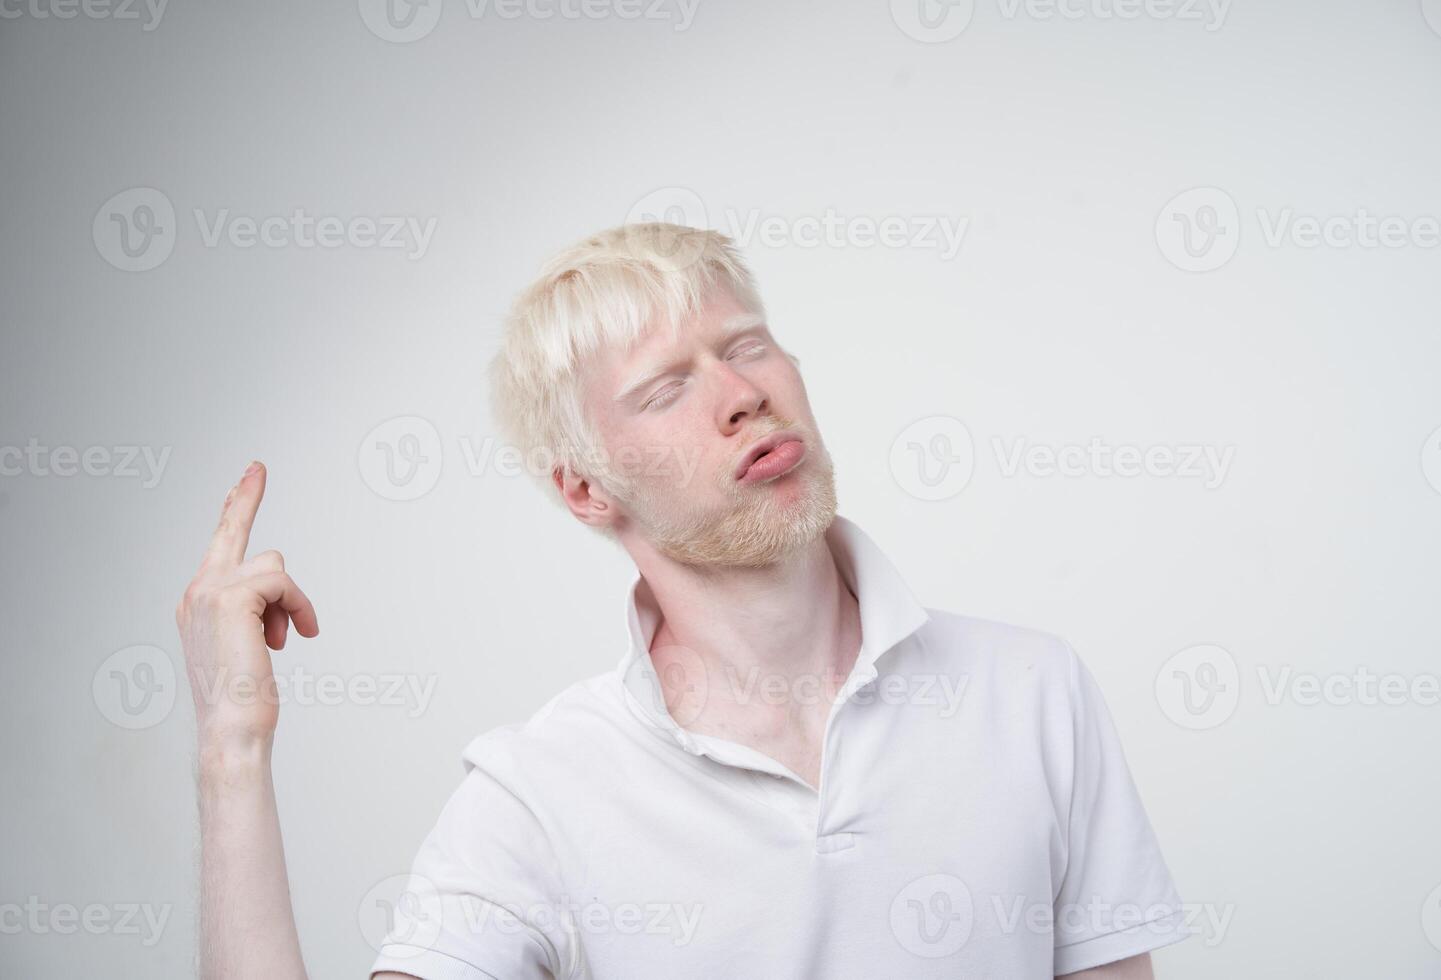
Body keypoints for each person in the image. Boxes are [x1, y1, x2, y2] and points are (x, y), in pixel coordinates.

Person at [176, 223, 1189, 979]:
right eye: (664, 388)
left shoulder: (1031, 689)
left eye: (746, 345)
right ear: (584, 487)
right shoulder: (539, 791)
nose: (740, 392)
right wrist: (233, 746)